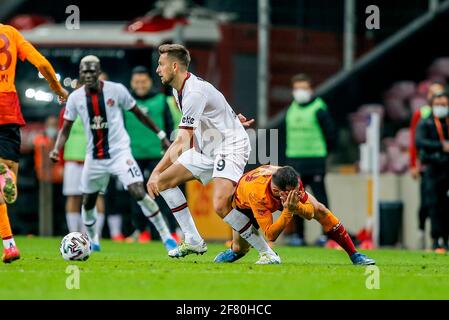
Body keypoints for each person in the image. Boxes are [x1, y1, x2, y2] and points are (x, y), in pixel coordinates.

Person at [146, 44, 279, 264]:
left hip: (230, 145)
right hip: (208, 148)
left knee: (220, 205)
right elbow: (215, 110)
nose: (158, 69)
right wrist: (233, 120)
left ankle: (267, 253)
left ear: (175, 66)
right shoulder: (177, 90)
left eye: (161, 65)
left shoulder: (194, 92)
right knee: (164, 182)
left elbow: (181, 142)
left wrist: (155, 170)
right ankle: (193, 239)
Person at [49, 55, 176, 252]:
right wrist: (57, 149)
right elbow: (65, 128)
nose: (89, 75)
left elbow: (139, 114)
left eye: (92, 71)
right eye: (85, 71)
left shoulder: (116, 90)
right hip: (94, 157)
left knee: (138, 191)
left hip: (120, 153)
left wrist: (160, 134)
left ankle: (166, 236)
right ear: (80, 74)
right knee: (88, 200)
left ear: (99, 72)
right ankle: (93, 239)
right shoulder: (75, 98)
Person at [0, 23, 68, 263]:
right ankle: (10, 246)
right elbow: (41, 64)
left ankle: (9, 244)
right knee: (7, 183)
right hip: (7, 108)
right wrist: (57, 88)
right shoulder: (11, 33)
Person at [214, 165, 375, 265]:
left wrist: (295, 205)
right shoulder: (257, 194)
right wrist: (289, 210)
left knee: (321, 210)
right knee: (240, 248)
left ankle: (355, 254)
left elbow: (311, 213)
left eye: (297, 190)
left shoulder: (293, 181)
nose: (296, 193)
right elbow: (270, 234)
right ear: (278, 191)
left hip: (274, 194)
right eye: (292, 193)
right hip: (245, 203)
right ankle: (234, 251)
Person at [124, 65, 177, 243]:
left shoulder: (161, 100)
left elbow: (170, 127)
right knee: (136, 195)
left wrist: (170, 150)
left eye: (143, 81)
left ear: (149, 81)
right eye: (136, 82)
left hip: (158, 155)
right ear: (132, 82)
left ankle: (166, 231)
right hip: (133, 155)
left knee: (162, 192)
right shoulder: (126, 101)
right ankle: (139, 230)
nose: (140, 85)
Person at [284, 73, 336, 246]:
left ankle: (326, 235)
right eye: (297, 88)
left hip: (315, 161)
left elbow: (331, 134)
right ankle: (299, 236)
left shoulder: (319, 108)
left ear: (311, 89)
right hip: (295, 160)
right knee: (296, 199)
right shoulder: (291, 108)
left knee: (320, 199)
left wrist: (324, 153)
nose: (300, 92)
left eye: (304, 88)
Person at [409, 82, 444, 249]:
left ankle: (441, 239)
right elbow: (413, 141)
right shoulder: (421, 114)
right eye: (433, 93)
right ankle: (421, 232)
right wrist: (413, 163)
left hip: (443, 165)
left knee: (442, 203)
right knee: (426, 203)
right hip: (427, 165)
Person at [416, 92, 449, 252]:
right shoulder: (426, 122)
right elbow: (419, 141)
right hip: (433, 169)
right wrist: (440, 146)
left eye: (444, 104)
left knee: (447, 206)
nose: (441, 108)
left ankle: (447, 239)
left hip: (447, 168)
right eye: (438, 104)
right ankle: (436, 240)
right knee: (433, 205)